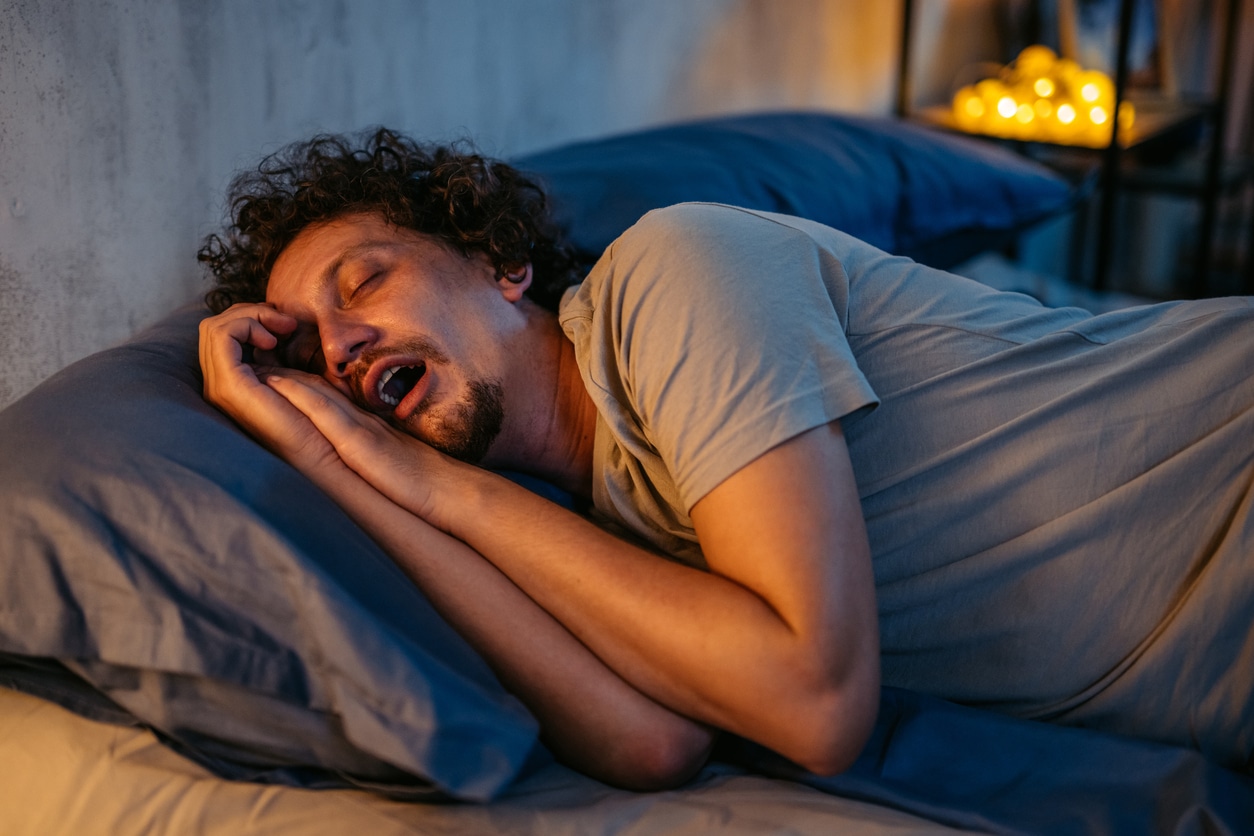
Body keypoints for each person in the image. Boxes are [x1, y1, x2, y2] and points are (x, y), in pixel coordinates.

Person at [199, 128, 1254, 788]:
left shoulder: (673, 273)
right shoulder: (573, 524)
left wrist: (431, 482)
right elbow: (649, 742)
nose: (341, 349)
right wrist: (340, 463)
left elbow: (813, 700)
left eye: (363, 282)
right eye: (308, 356)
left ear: (502, 265)